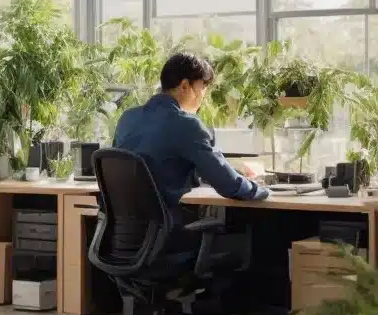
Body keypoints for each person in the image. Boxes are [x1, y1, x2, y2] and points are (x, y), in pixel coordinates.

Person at [114, 52, 270, 205]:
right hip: (167, 225)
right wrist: (261, 190)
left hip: (122, 225)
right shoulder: (187, 125)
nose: (203, 96)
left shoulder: (127, 118)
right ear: (185, 86)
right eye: (203, 88)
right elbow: (229, 185)